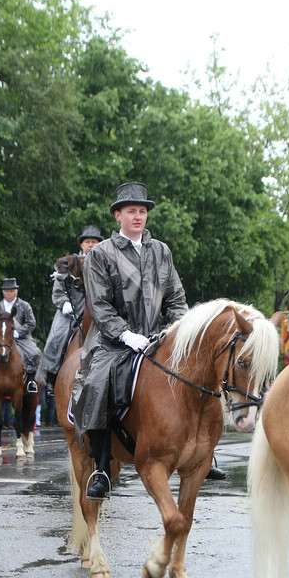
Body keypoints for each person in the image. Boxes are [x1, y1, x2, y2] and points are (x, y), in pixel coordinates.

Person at [70, 182, 188, 500]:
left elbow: (176, 297)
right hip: (112, 340)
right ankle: (102, 466)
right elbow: (99, 305)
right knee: (96, 383)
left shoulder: (161, 251)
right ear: (118, 215)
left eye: (142, 211)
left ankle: (200, 454)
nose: (138, 216)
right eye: (131, 211)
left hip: (158, 336)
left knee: (195, 372)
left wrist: (177, 330)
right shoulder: (100, 254)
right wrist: (125, 334)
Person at [34, 225, 102, 390]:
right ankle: (51, 375)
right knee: (57, 337)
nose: (91, 245)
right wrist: (64, 303)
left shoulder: (104, 264)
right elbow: (58, 291)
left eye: (94, 241)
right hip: (70, 311)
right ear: (82, 245)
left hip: (99, 310)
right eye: (88, 242)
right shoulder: (70, 264)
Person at [0, 277, 42, 396]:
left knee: (35, 353)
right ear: (3, 292)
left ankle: (32, 381)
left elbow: (31, 322)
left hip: (21, 338)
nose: (9, 293)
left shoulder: (24, 306)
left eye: (11, 291)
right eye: (6, 291)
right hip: (0, 339)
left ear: (16, 291)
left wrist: (18, 332)